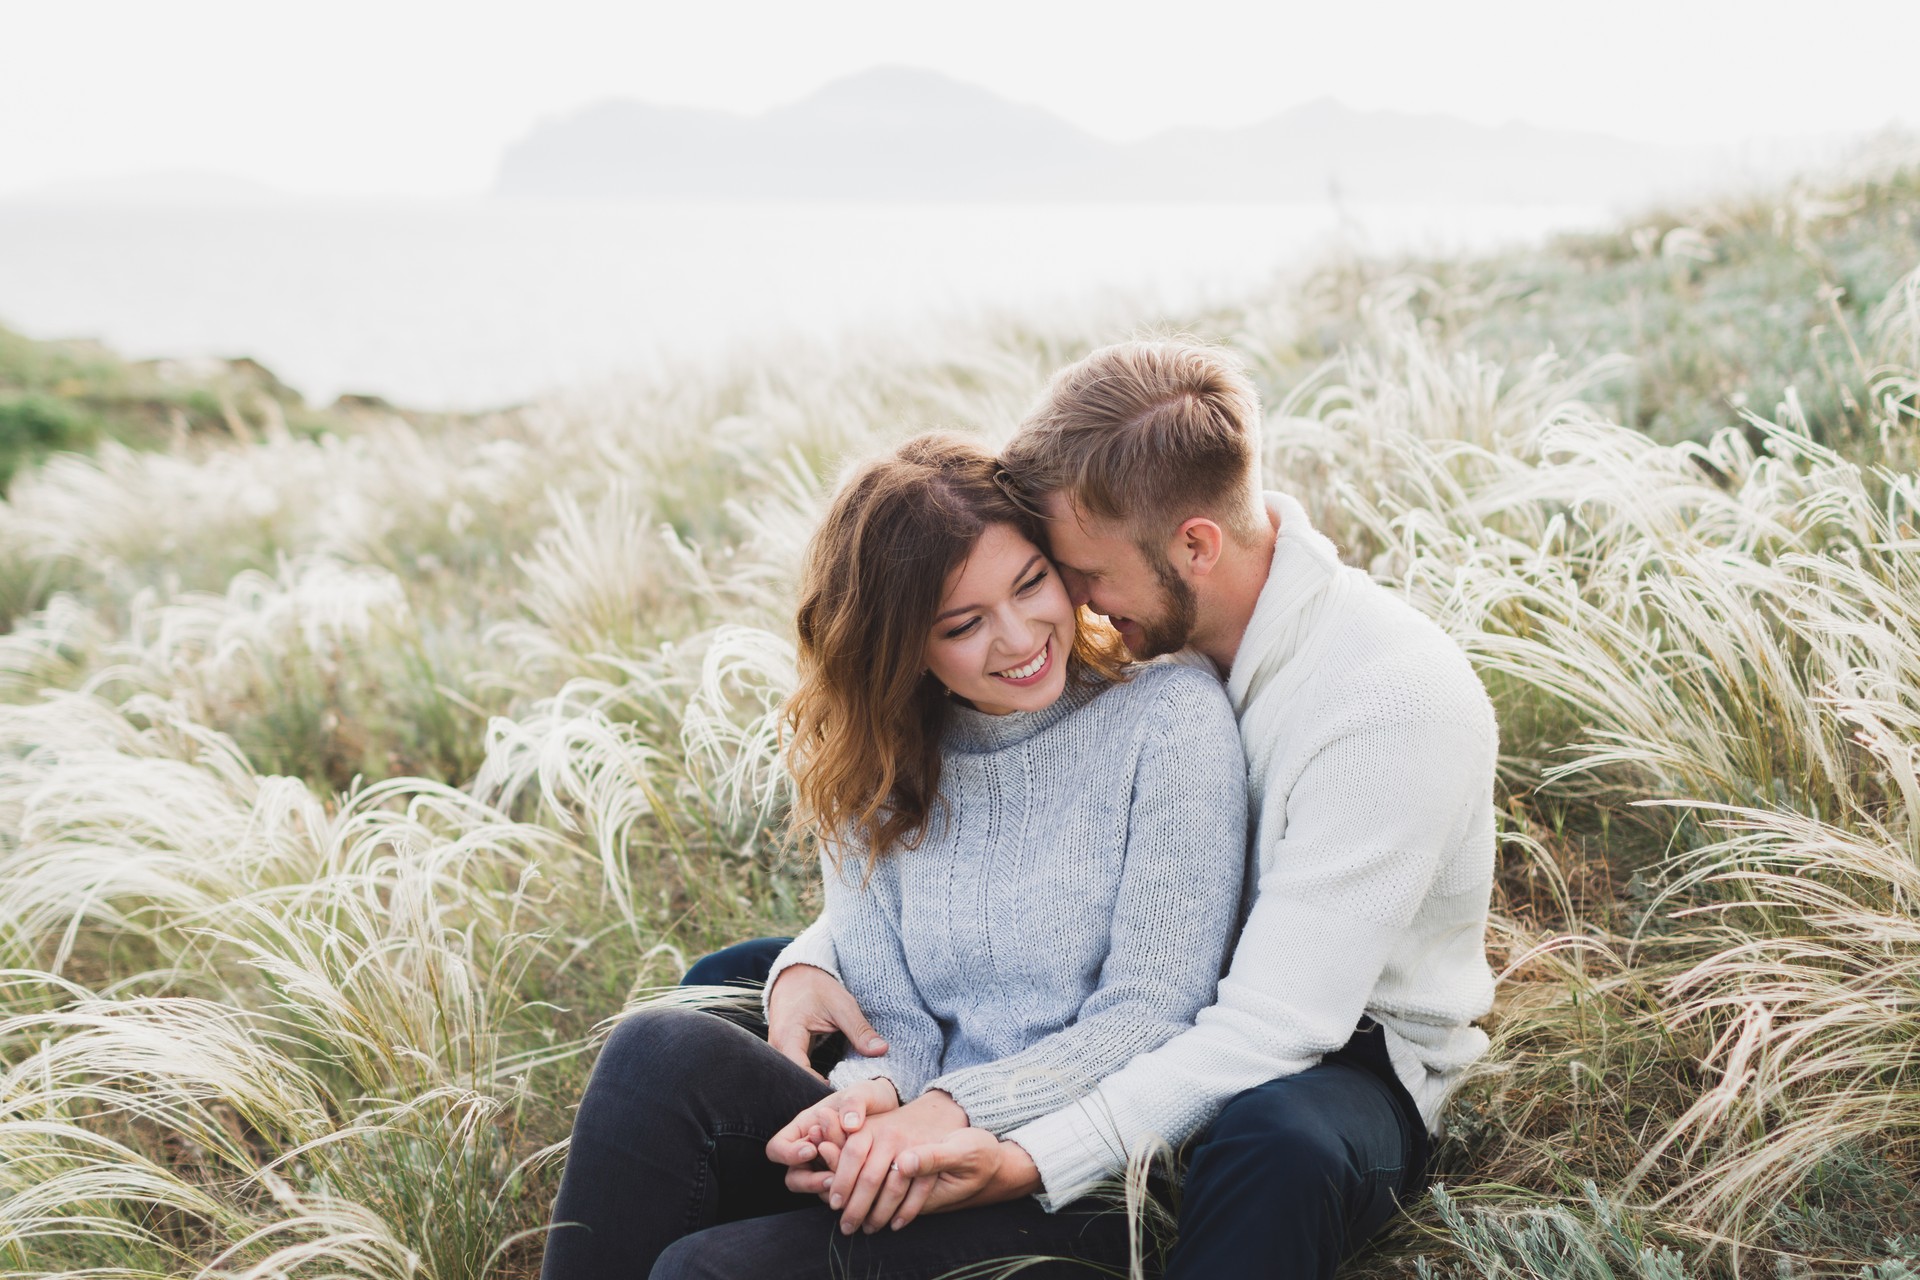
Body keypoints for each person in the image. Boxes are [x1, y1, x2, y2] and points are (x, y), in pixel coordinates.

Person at [752, 339, 1501, 1279]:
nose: (1064, 606)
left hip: (1332, 1052)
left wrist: (1023, 1160)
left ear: (1194, 544)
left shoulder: (1387, 705)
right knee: (734, 982)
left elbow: (1268, 1028)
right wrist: (811, 954)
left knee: (1278, 1146)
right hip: (1136, 977)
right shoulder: (1166, 628)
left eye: (1073, 574)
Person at [539, 432, 1249, 1279]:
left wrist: (951, 1111)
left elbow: (1152, 1012)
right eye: (963, 624)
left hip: (1080, 1179)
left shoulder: (1168, 719)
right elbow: (890, 1017)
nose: (1020, 637)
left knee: (704, 1270)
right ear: (901, 644)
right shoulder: (879, 760)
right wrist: (864, 1107)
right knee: (656, 1049)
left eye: (1032, 583)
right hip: (915, 1136)